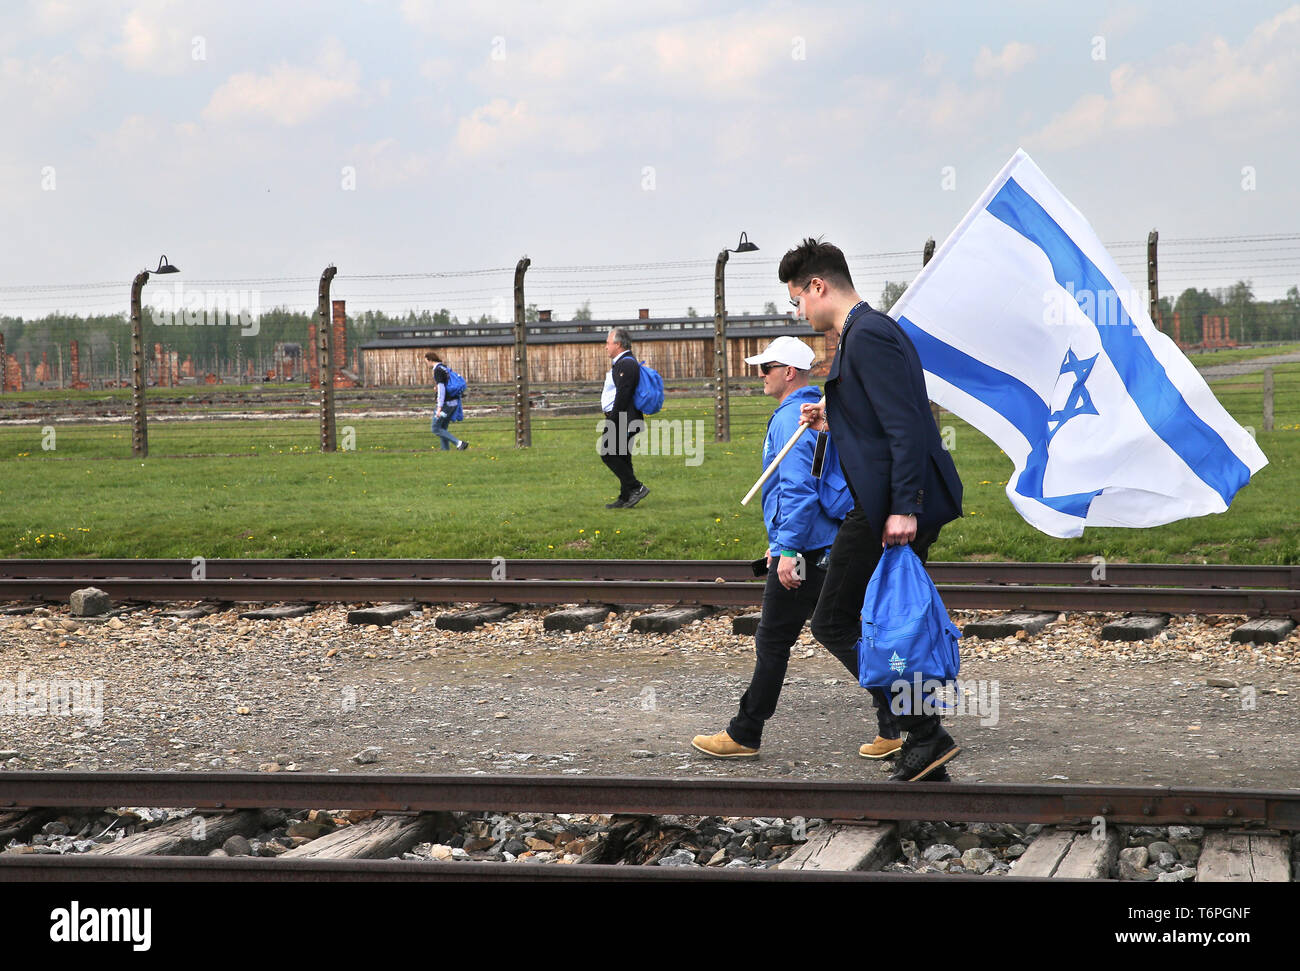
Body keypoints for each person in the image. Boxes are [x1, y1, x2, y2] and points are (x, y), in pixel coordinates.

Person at [782, 237, 965, 782]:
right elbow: (881, 423)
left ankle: (922, 732)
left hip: (890, 507)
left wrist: (905, 507)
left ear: (819, 287)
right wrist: (833, 419)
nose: (798, 312)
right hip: (883, 502)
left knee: (835, 620)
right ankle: (920, 739)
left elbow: (909, 426)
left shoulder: (869, 336)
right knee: (883, 625)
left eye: (798, 299)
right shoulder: (865, 333)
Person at [692, 336, 847, 758]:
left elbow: (797, 490)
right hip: (823, 543)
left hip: (807, 548)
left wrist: (788, 549)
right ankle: (900, 720)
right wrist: (777, 542)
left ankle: (744, 733)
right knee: (840, 631)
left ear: (789, 373)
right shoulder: (816, 412)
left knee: (776, 639)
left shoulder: (790, 419)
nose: (759, 375)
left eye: (766, 368)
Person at [599, 327, 648, 508]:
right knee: (622, 456)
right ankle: (626, 497)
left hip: (623, 419)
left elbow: (623, 395)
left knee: (607, 454)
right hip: (623, 418)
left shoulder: (626, 364)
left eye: (608, 343)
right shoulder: (623, 363)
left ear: (617, 344)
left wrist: (612, 421)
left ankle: (636, 487)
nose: (606, 347)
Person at [426, 351, 468, 451]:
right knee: (442, 428)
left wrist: (439, 407)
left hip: (446, 405)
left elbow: (442, 389)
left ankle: (459, 443)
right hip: (453, 403)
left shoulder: (437, 370)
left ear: (430, 360)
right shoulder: (444, 368)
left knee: (435, 428)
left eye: (426, 361)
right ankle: (445, 451)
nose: (426, 364)